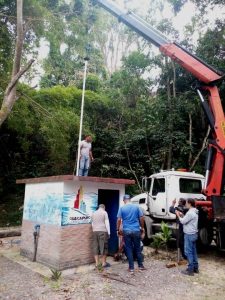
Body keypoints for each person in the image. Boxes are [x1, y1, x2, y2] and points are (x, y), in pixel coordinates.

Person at [117, 194, 146, 274]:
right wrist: (142, 228)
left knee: (129, 249)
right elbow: (141, 218)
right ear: (130, 199)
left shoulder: (122, 208)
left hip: (126, 231)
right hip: (136, 230)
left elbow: (119, 219)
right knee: (137, 248)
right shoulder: (137, 207)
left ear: (124, 200)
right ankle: (140, 266)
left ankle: (131, 268)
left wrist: (118, 229)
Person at [176, 198, 199, 276]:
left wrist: (178, 215)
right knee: (194, 252)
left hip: (189, 235)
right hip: (194, 234)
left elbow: (182, 221)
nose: (185, 204)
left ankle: (190, 270)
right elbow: (188, 219)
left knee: (188, 252)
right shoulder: (195, 211)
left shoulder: (190, 213)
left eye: (186, 203)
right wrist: (183, 215)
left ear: (189, 203)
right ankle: (196, 268)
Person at [91, 204, 110, 269]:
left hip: (95, 231)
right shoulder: (104, 212)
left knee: (95, 246)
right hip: (103, 231)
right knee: (104, 247)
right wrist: (109, 233)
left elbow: (92, 223)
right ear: (103, 207)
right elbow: (107, 223)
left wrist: (94, 230)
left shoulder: (93, 213)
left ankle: (97, 263)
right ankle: (104, 263)